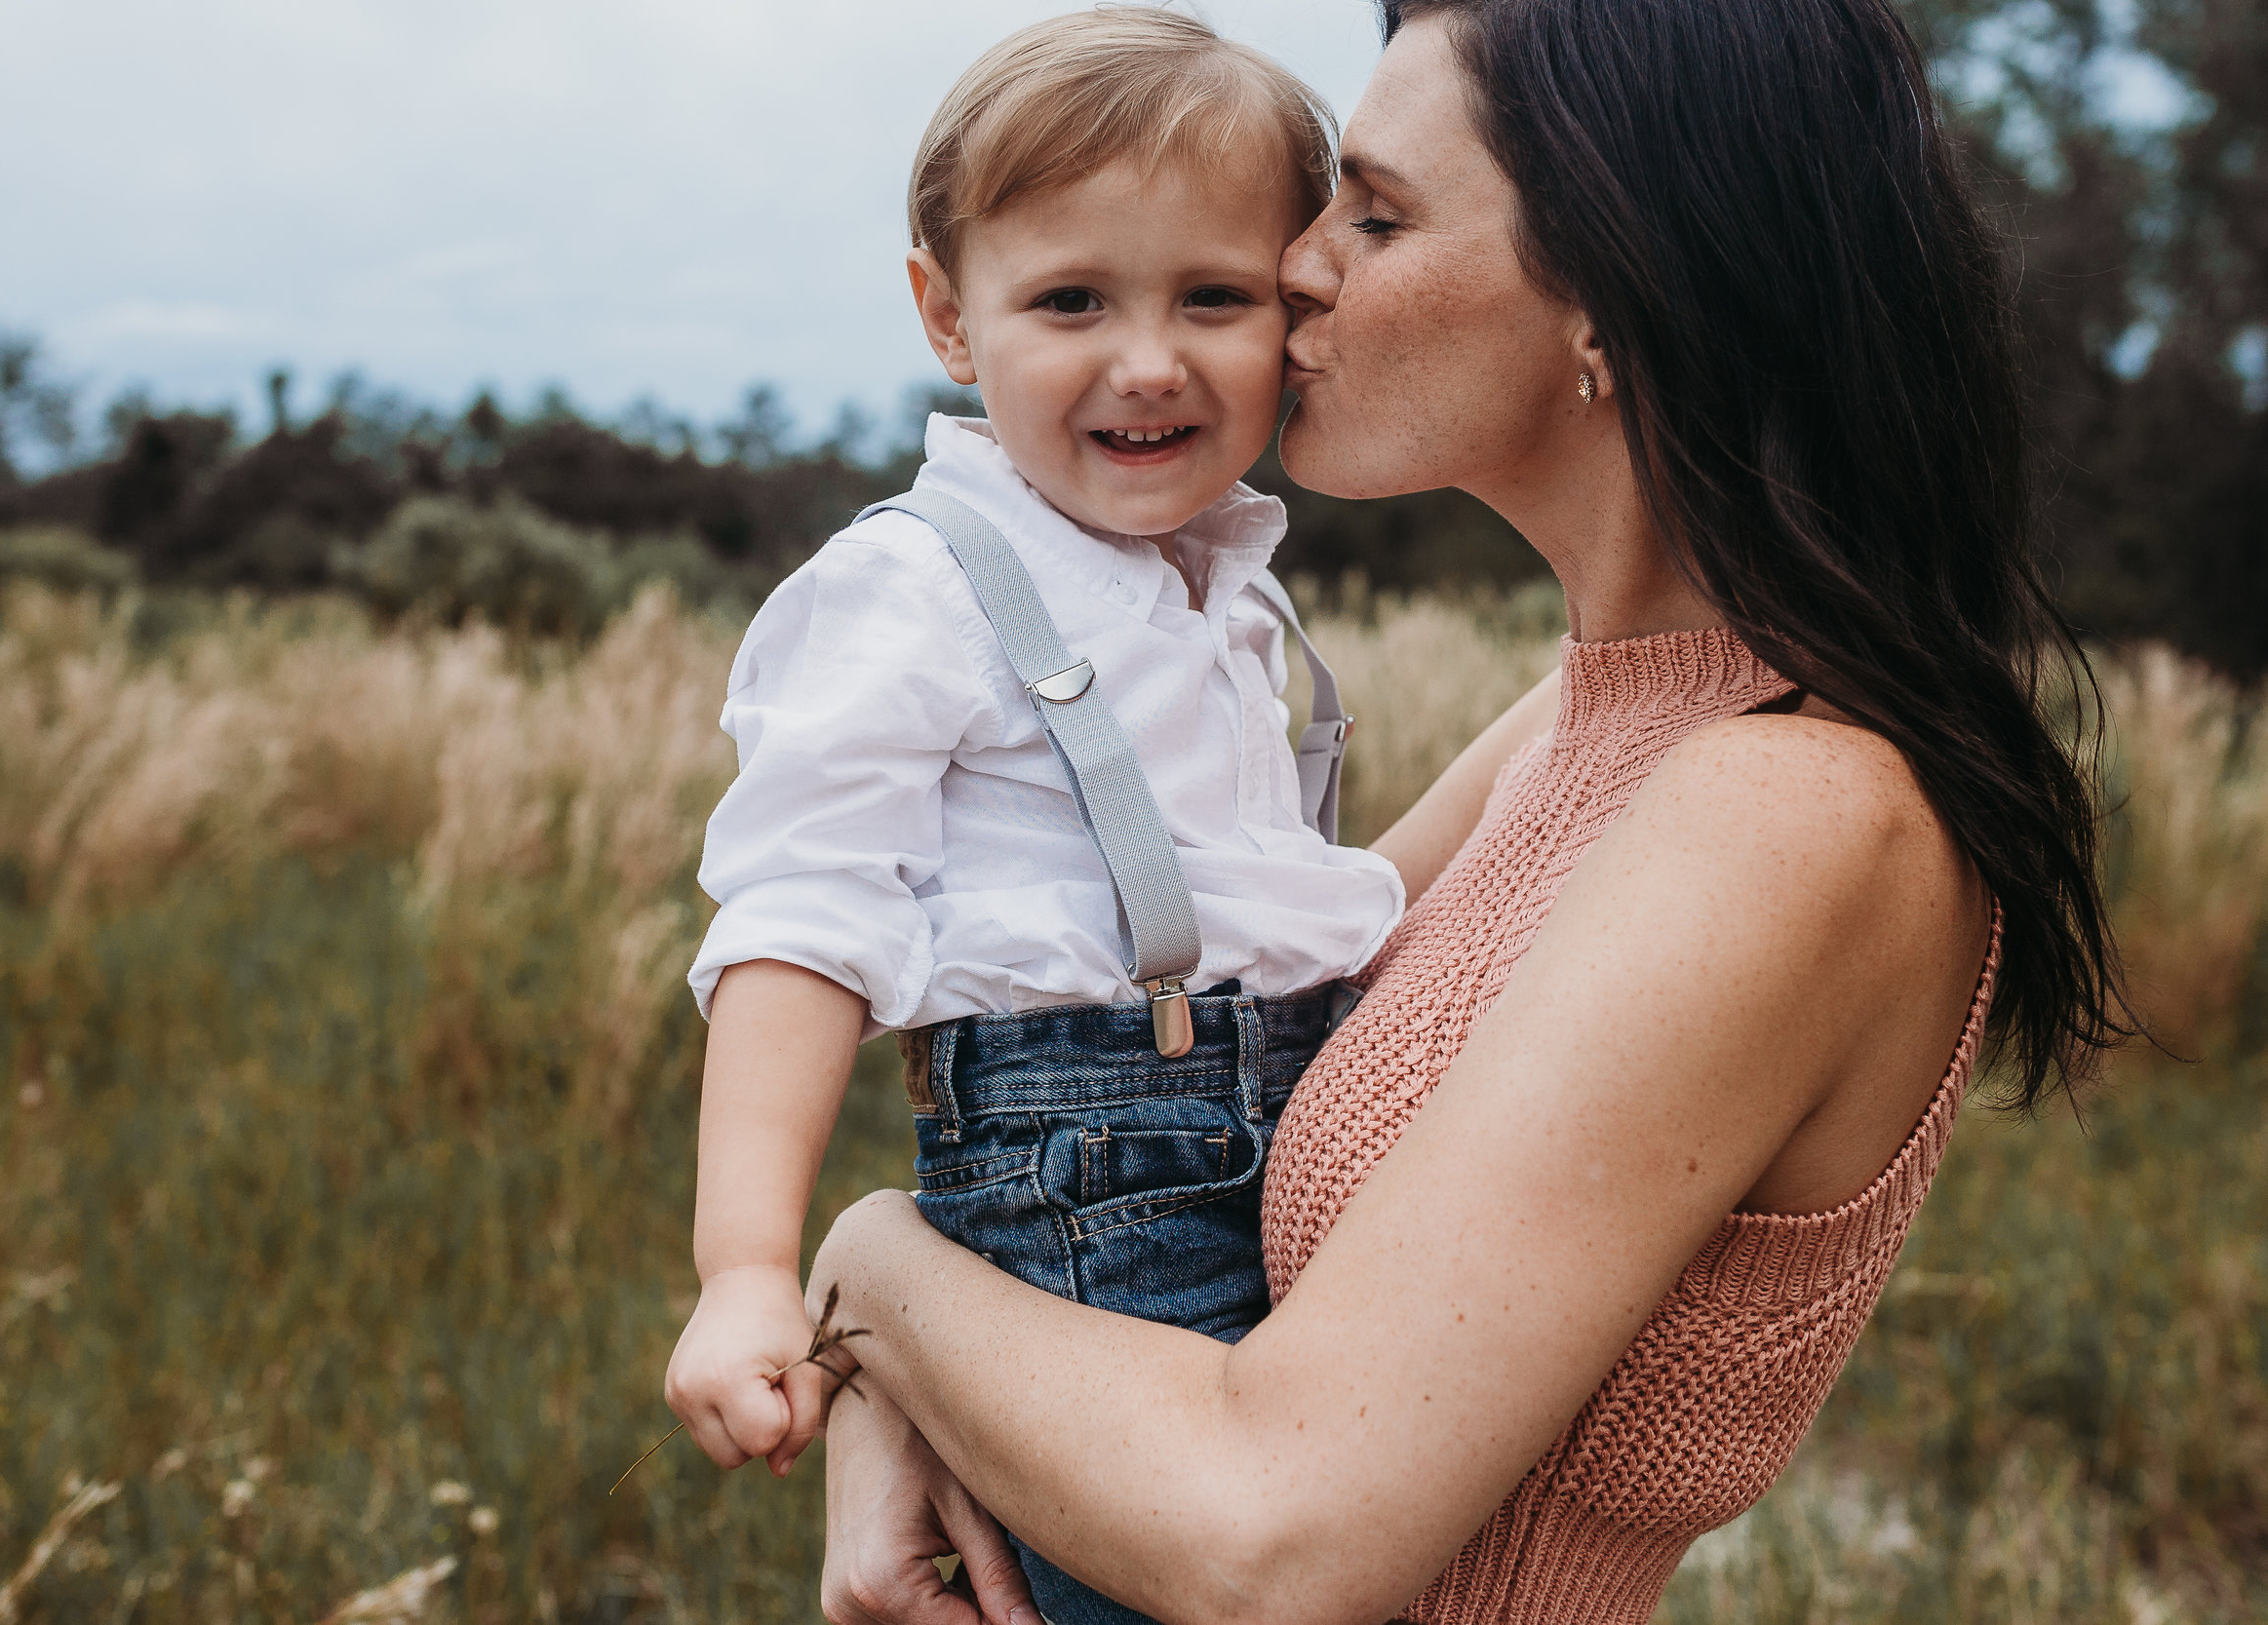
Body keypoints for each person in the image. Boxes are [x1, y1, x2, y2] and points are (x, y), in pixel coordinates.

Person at [804, 0, 2135, 1621]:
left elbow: (1270, 1532)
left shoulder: (1796, 807)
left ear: (1616, 291)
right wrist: (889, 1392)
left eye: (1375, 212)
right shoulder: (1600, 713)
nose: (1296, 264)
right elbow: (1200, 1029)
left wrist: (871, 1272)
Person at [663, 13, 1417, 1621]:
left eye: (1213, 297)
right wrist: (744, 1271)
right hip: (1095, 1209)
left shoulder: (1215, 584)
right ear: (949, 313)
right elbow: (804, 920)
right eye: (1072, 299)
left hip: (1275, 1152)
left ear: (1291, 307)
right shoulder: (914, 588)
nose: (1149, 361)